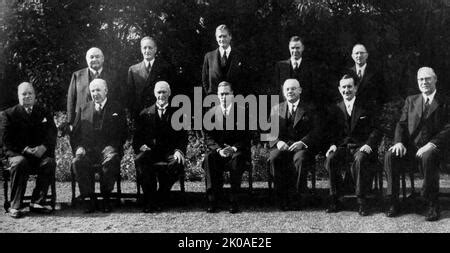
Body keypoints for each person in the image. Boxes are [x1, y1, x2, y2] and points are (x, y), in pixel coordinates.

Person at [384, 67, 450, 221]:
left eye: (427, 78)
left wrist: (432, 143)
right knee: (390, 155)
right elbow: (401, 124)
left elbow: (449, 127)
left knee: (428, 156)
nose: (424, 82)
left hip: (437, 149)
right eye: (421, 79)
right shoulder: (411, 100)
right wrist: (399, 142)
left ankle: (431, 203)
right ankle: (393, 202)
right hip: (412, 148)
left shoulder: (446, 101)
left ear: (435, 79)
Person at [324, 74, 381, 216]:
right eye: (343, 87)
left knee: (360, 159)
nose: (346, 90)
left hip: (361, 147)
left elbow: (377, 129)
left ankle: (361, 201)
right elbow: (329, 131)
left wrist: (369, 144)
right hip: (342, 147)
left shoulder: (366, 106)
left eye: (350, 86)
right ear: (339, 89)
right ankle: (335, 199)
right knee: (331, 158)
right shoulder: (335, 109)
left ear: (355, 88)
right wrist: (332, 144)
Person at [71, 78, 127, 213]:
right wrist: (79, 147)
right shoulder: (83, 108)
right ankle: (89, 199)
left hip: (109, 149)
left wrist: (113, 146)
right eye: (93, 91)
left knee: (111, 159)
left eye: (98, 90)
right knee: (77, 161)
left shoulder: (117, 108)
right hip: (89, 151)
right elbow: (75, 134)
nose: (95, 93)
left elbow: (123, 132)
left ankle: (106, 198)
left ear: (106, 90)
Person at [2, 82, 57, 218]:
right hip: (18, 154)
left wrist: (43, 147)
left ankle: (37, 202)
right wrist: (25, 149)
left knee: (49, 162)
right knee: (20, 162)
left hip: (39, 154)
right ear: (18, 96)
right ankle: (15, 205)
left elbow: (52, 133)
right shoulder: (8, 114)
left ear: (35, 95)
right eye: (24, 94)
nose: (27, 96)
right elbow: (6, 140)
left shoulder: (43, 112)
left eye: (30, 93)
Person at [133, 81, 187, 213]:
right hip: (151, 151)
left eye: (164, 92)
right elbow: (137, 139)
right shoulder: (145, 113)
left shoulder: (178, 113)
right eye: (159, 92)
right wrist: (141, 146)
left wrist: (179, 150)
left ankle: (161, 194)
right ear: (154, 93)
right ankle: (149, 199)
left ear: (169, 93)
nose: (161, 95)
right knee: (140, 160)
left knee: (177, 162)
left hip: (170, 152)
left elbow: (183, 137)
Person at [268, 78, 321, 211]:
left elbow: (317, 130)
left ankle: (296, 198)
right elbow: (268, 131)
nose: (290, 91)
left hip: (301, 148)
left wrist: (303, 142)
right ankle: (281, 198)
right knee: (274, 158)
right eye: (287, 89)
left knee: (301, 159)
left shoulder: (310, 108)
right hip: (282, 147)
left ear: (300, 90)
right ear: (283, 91)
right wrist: (278, 142)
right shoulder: (276, 108)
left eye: (293, 88)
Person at [203, 81, 251, 213]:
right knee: (209, 158)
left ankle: (233, 201)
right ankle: (213, 200)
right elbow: (208, 137)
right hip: (219, 152)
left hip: (237, 152)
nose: (224, 97)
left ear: (233, 95)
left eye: (227, 94)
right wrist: (219, 150)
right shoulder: (211, 113)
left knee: (237, 159)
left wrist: (234, 148)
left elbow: (247, 137)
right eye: (221, 94)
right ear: (217, 96)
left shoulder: (242, 112)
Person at [66, 47, 121, 140]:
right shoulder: (77, 75)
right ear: (86, 59)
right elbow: (71, 99)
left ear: (103, 58)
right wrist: (70, 122)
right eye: (91, 57)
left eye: (97, 57)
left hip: (106, 123)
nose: (94, 59)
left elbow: (118, 98)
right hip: (83, 123)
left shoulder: (113, 75)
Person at [127, 36, 174, 121]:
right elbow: (130, 96)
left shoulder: (165, 68)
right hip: (141, 115)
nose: (147, 51)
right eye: (145, 48)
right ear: (141, 49)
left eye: (150, 48)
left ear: (155, 49)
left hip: (160, 114)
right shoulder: (133, 70)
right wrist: (132, 115)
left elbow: (171, 92)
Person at [274, 36, 326, 104]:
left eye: (297, 48)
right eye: (292, 48)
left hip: (305, 108)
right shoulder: (280, 66)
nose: (295, 51)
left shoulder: (311, 67)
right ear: (289, 48)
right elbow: (276, 89)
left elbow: (314, 91)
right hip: (284, 107)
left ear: (302, 48)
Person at [202, 25, 245, 95]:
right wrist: (210, 96)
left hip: (235, 100)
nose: (222, 39)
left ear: (230, 37)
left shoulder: (239, 56)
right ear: (216, 38)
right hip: (214, 100)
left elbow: (245, 79)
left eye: (224, 36)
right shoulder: (209, 56)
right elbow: (205, 79)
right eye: (219, 36)